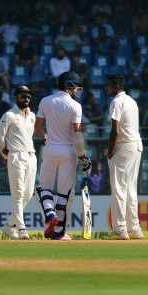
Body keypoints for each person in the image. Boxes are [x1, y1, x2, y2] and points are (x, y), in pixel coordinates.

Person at [34, 72, 91, 240]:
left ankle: (50, 214)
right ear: (69, 85)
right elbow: (77, 133)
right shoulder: (75, 106)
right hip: (69, 152)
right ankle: (59, 233)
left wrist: (46, 138)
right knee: (64, 193)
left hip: (50, 148)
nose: (78, 88)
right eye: (76, 85)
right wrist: (83, 157)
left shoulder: (46, 101)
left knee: (44, 187)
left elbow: (37, 127)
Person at [103, 74, 143, 240]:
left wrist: (110, 151)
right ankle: (134, 229)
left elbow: (115, 131)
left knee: (119, 188)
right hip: (136, 146)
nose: (107, 88)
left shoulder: (116, 102)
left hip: (123, 147)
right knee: (130, 189)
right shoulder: (132, 101)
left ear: (116, 87)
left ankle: (120, 229)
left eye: (109, 85)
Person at [0, 86, 36, 240]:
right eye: (23, 96)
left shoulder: (32, 116)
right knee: (18, 194)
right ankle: (22, 228)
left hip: (31, 156)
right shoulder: (9, 115)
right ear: (15, 97)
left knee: (28, 194)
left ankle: (8, 226)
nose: (26, 99)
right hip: (16, 156)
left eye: (29, 96)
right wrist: (5, 154)